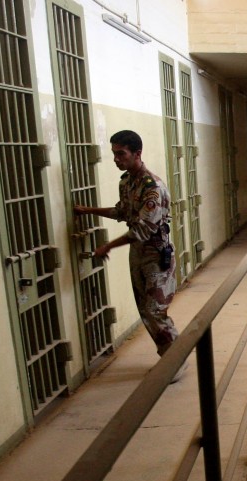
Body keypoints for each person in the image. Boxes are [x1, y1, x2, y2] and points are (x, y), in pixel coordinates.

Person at [73, 130, 182, 364]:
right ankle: (169, 357)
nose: (116, 159)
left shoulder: (152, 187)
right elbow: (122, 211)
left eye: (121, 154)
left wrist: (108, 247)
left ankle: (175, 360)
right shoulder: (128, 181)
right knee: (146, 310)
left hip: (156, 254)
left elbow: (143, 229)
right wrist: (89, 211)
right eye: (114, 153)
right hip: (138, 254)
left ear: (137, 153)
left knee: (155, 311)